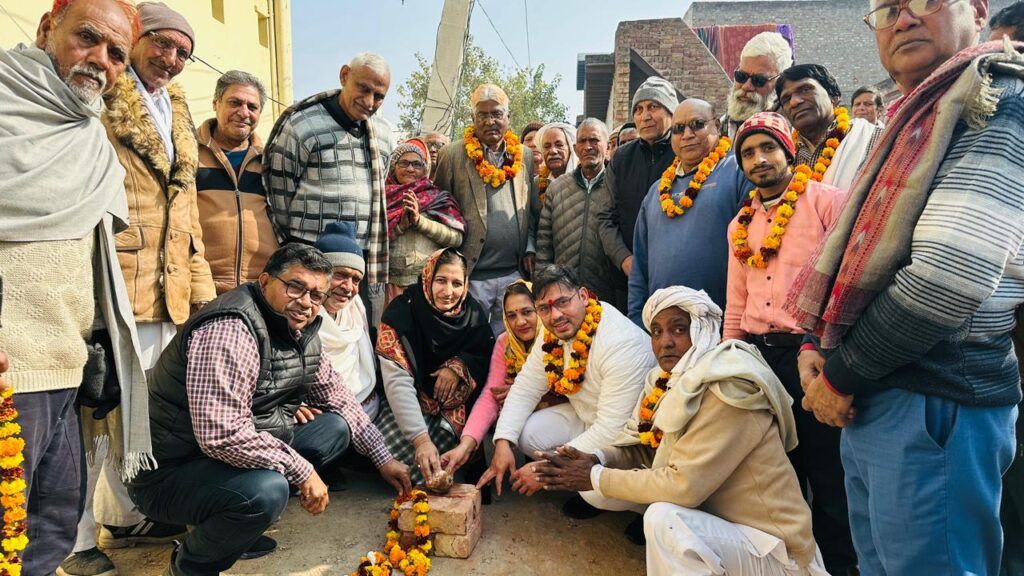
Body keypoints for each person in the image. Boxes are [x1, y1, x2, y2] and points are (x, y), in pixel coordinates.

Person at [789, 1, 1024, 573]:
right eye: (889, 8)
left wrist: (840, 375)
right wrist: (818, 344)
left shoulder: (998, 98)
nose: (905, 18)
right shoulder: (914, 115)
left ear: (977, 9)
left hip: (935, 397)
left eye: (924, 0)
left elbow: (948, 276)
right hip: (877, 394)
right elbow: (854, 249)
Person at [127, 244, 411, 575]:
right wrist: (302, 471)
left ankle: (233, 527)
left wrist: (383, 458)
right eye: (295, 287)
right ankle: (190, 565)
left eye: (315, 295)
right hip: (171, 472)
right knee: (267, 491)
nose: (305, 302)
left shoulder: (301, 331)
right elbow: (221, 436)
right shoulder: (231, 328)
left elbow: (339, 397)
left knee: (333, 429)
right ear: (264, 282)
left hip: (223, 454)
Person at [67, 4, 219, 573]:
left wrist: (201, 291)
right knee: (96, 414)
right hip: (110, 287)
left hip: (166, 293)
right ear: (135, 39)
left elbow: (187, 214)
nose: (171, 58)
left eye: (183, 52)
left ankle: (127, 516)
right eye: (162, 44)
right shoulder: (102, 94)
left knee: (142, 417)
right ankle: (76, 540)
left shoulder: (175, 107)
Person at [533, 286, 828, 576]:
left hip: (778, 553)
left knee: (665, 519)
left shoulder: (729, 386)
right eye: (657, 332)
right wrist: (596, 459)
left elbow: (683, 486)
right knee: (626, 501)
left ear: (702, 331)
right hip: (730, 537)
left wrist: (595, 476)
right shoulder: (666, 380)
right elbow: (648, 448)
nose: (666, 342)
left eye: (678, 329)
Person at [0, 1, 146, 573]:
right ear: (46, 29)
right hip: (10, 370)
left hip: (65, 364)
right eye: (88, 38)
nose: (101, 60)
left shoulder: (90, 136)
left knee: (51, 529)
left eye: (117, 54)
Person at [725, 112, 855, 574]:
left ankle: (840, 565)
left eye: (768, 148)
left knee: (829, 472)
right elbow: (736, 301)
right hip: (760, 358)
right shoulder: (739, 224)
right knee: (780, 471)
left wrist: (828, 352)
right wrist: (731, 357)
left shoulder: (827, 202)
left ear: (788, 152)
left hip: (814, 354)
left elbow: (846, 283)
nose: (759, 160)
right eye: (748, 153)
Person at [477, 265, 655, 520]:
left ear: (583, 296)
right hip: (590, 418)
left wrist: (544, 469)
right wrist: (503, 442)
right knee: (530, 433)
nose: (556, 315)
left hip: (634, 442)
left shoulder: (620, 343)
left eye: (563, 302)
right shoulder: (551, 332)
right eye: (545, 308)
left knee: (594, 493)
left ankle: (648, 509)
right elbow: (526, 387)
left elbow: (611, 431)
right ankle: (581, 479)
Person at [263, 52, 395, 326]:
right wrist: (297, 251)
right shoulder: (303, 124)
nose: (369, 101)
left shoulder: (383, 133)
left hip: (362, 261)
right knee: (305, 332)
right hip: (310, 258)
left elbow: (378, 190)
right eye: (363, 89)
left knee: (357, 335)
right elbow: (278, 194)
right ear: (345, 75)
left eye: (379, 96)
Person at [375, 248, 495, 485]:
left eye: (456, 283)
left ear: (466, 285)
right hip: (411, 404)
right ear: (427, 278)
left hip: (453, 411)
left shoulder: (473, 314)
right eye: (441, 281)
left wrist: (459, 366)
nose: (448, 292)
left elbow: (484, 358)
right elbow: (397, 382)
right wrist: (421, 440)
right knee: (389, 452)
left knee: (441, 463)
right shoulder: (401, 313)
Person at [628, 99, 753, 324]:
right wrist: (637, 322)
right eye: (678, 129)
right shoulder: (656, 191)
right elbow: (640, 266)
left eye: (697, 124)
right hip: (663, 327)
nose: (687, 135)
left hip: (723, 323)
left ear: (716, 126)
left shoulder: (738, 173)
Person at [433, 83, 537, 335]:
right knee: (471, 340)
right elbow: (439, 211)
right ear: (473, 118)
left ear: (508, 117)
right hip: (471, 274)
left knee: (510, 343)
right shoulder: (452, 155)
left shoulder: (524, 155)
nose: (490, 121)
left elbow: (532, 211)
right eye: (483, 115)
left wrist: (530, 247)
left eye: (497, 114)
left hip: (514, 273)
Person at [439, 280, 563, 474]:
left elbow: (576, 391)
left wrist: (524, 393)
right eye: (511, 315)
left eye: (527, 312)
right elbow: (490, 397)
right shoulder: (505, 342)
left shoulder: (558, 335)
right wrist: (465, 446)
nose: (520, 322)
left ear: (540, 310)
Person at [196, 70, 280, 295]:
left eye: (252, 107)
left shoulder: (270, 162)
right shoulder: (188, 154)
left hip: (260, 290)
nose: (243, 113)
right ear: (216, 103)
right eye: (235, 103)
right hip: (203, 288)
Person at [536, 118, 627, 307]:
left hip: (609, 297)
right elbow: (544, 245)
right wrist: (542, 289)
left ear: (608, 146)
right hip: (565, 295)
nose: (588, 147)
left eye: (594, 140)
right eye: (582, 141)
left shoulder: (619, 185)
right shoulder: (557, 188)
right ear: (575, 149)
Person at [605, 77, 678, 295]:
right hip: (627, 279)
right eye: (638, 109)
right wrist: (624, 258)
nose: (645, 116)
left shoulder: (685, 153)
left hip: (675, 277)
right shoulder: (621, 159)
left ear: (671, 111)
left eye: (653, 107)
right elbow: (605, 217)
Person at [776, 64, 881, 191]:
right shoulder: (782, 157)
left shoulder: (877, 139)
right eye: (786, 99)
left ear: (833, 97)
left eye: (805, 89)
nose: (794, 102)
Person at [384, 138, 466, 303]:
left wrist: (420, 222)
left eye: (417, 164)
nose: (410, 169)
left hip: (429, 284)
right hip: (389, 286)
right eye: (404, 163)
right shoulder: (381, 198)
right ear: (393, 167)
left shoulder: (438, 198)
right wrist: (400, 227)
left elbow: (457, 239)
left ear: (425, 169)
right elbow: (372, 241)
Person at [314, 222, 378, 420]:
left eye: (356, 280)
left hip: (368, 409)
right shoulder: (300, 316)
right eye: (340, 275)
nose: (349, 287)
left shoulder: (355, 309)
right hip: (325, 418)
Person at [721, 32, 793, 139]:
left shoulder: (794, 130)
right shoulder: (721, 125)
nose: (746, 86)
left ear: (780, 82)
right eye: (741, 76)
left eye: (759, 80)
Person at [534, 122, 577, 204]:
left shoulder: (586, 179)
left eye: (559, 145)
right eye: (547, 146)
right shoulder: (536, 184)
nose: (553, 151)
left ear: (570, 149)